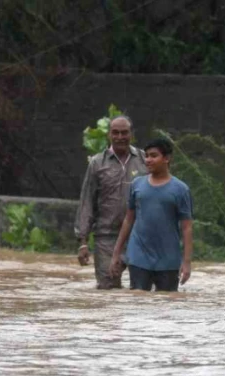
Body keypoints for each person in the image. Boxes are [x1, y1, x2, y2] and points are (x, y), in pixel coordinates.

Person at [110, 137, 193, 292]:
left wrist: (186, 262)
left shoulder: (181, 190)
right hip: (138, 256)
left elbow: (187, 227)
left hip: (168, 259)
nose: (148, 160)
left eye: (154, 156)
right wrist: (116, 253)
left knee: (165, 305)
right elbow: (129, 219)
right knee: (138, 300)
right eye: (147, 156)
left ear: (167, 158)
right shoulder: (137, 185)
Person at [75, 115, 147, 289]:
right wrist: (83, 242)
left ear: (132, 134)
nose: (120, 137)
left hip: (139, 237)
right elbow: (87, 202)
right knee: (108, 289)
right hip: (106, 238)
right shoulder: (97, 163)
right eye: (115, 133)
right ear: (109, 135)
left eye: (124, 133)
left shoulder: (146, 160)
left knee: (142, 291)